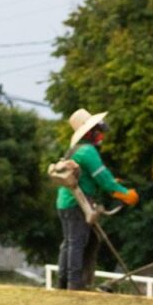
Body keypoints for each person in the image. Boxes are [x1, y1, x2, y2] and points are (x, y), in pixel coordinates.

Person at [55, 108, 138, 291]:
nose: (101, 133)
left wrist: (109, 184)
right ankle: (74, 285)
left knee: (69, 242)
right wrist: (125, 193)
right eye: (98, 130)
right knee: (77, 242)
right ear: (89, 132)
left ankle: (62, 283)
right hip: (78, 204)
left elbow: (88, 177)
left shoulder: (74, 150)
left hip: (64, 201)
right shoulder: (88, 151)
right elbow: (104, 180)